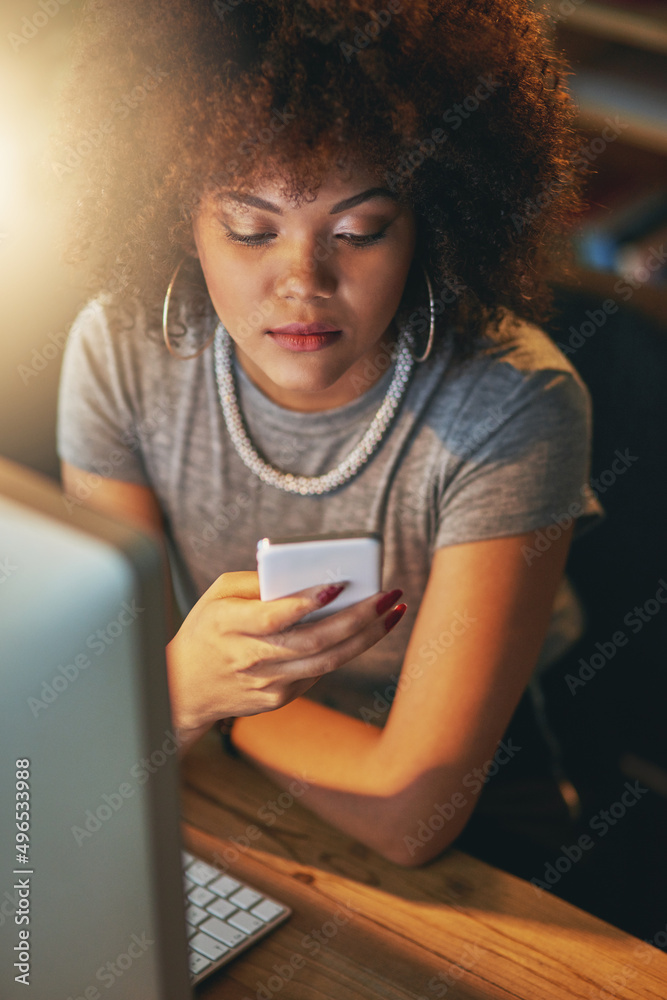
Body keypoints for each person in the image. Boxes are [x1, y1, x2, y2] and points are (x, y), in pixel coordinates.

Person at [53, 0, 604, 866]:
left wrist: (204, 703)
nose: (302, 281)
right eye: (249, 229)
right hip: (206, 778)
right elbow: (85, 705)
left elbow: (410, 815)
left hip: (472, 813)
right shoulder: (120, 351)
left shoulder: (512, 402)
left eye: (357, 231)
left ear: (430, 222)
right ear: (177, 219)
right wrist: (175, 696)